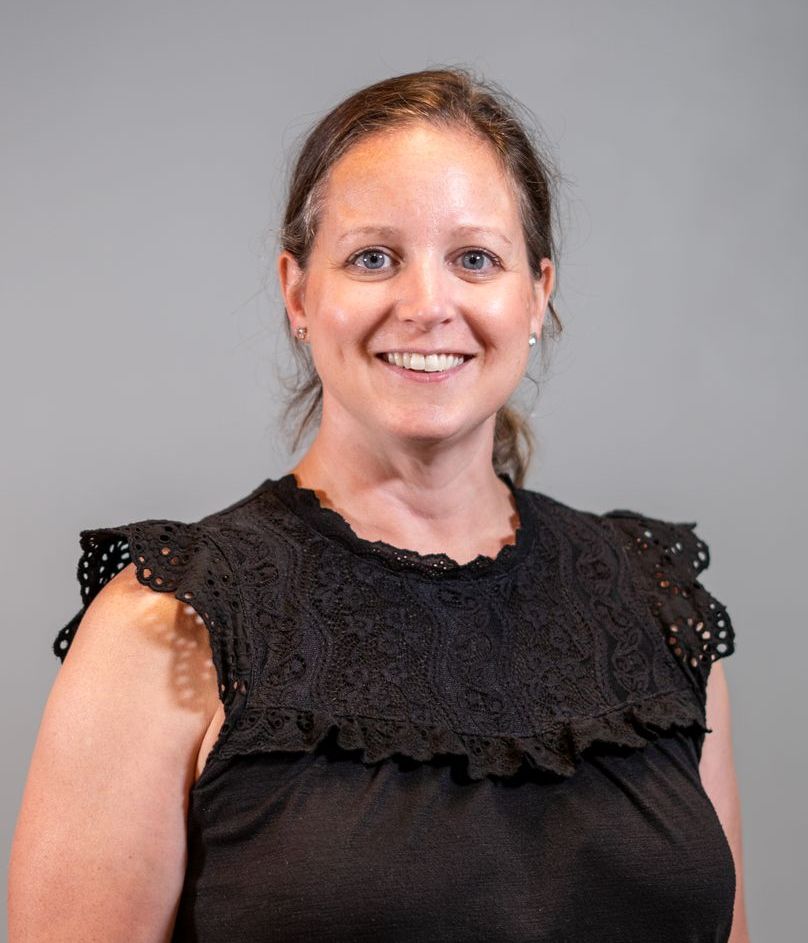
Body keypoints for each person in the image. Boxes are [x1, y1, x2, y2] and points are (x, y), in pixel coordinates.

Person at [9, 67, 749, 942]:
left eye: (475, 258)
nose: (427, 305)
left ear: (537, 294)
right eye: (373, 258)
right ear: (297, 293)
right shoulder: (169, 624)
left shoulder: (654, 605)